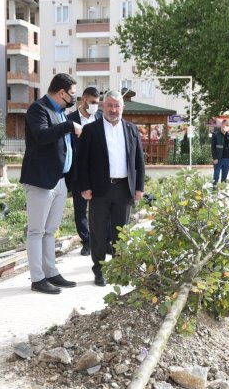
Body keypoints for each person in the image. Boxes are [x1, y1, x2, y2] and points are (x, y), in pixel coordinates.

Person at [20, 73, 83, 294]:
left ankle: (51, 272)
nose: (74, 99)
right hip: (40, 180)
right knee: (36, 231)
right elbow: (42, 136)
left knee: (50, 231)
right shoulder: (38, 109)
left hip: (59, 179)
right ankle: (38, 278)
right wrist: (69, 127)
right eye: (72, 95)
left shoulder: (60, 112)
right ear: (62, 92)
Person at [76, 90, 146, 286]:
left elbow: (139, 161)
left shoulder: (132, 130)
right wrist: (84, 187)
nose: (113, 110)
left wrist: (139, 187)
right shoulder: (91, 130)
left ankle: (118, 270)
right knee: (98, 233)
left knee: (121, 233)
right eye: (110, 105)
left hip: (124, 189)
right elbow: (82, 162)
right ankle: (99, 271)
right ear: (103, 106)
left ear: (122, 108)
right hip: (99, 190)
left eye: (117, 106)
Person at [67, 86, 102, 256]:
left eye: (97, 103)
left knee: (100, 209)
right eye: (93, 102)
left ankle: (100, 240)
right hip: (78, 172)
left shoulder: (101, 118)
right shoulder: (70, 119)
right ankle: (86, 241)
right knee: (80, 210)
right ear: (83, 100)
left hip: (98, 172)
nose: (96, 106)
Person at [210, 120, 229, 186]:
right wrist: (215, 158)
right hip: (218, 159)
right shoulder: (215, 134)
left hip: (227, 160)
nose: (227, 126)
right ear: (222, 125)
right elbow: (213, 148)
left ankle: (223, 193)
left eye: (228, 125)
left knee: (224, 179)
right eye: (226, 125)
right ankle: (214, 191)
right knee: (216, 178)